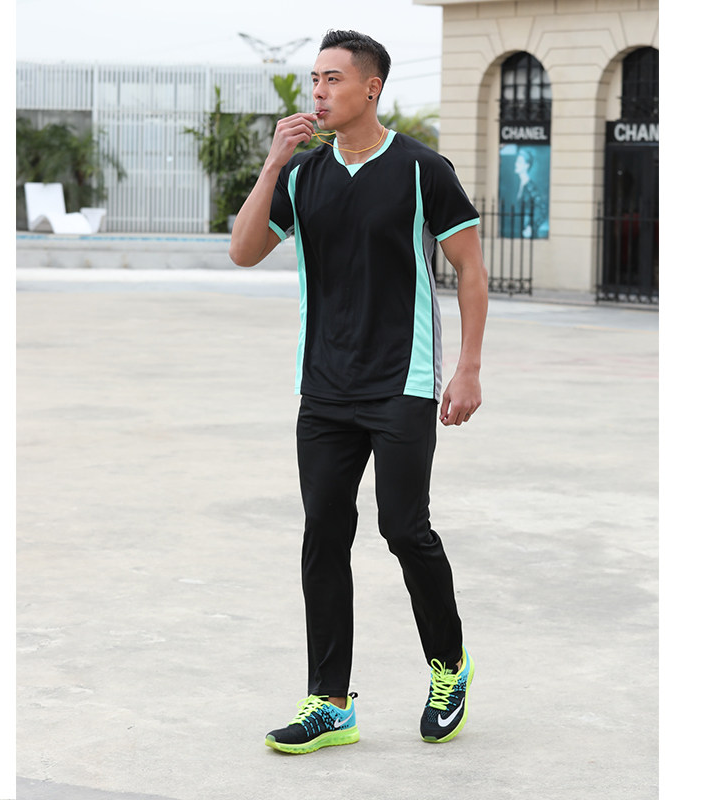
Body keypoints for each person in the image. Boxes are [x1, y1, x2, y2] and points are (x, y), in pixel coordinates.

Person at [229, 29, 488, 755]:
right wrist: (274, 162)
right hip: (324, 387)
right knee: (323, 534)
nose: (318, 92)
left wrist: (468, 366)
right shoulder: (302, 174)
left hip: (401, 381)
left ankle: (449, 665)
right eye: (314, 79)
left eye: (333, 79)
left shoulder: (421, 169)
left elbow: (469, 269)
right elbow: (244, 251)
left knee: (403, 529)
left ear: (371, 87)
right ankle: (330, 702)